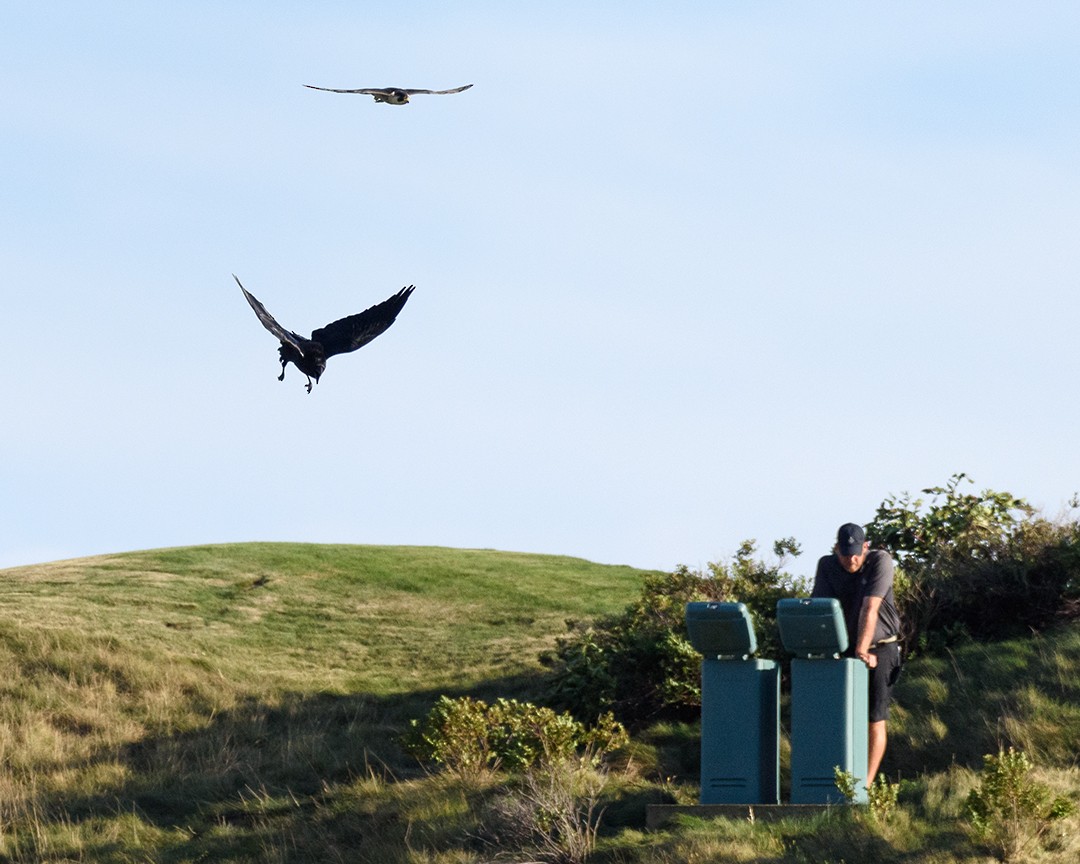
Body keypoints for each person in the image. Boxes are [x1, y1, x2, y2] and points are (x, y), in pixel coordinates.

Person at [811, 522, 902, 786]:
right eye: (845, 552)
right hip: (847, 650)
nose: (851, 559)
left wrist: (863, 649)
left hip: (881, 648)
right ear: (836, 548)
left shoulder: (880, 561)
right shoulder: (827, 565)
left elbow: (870, 607)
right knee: (842, 717)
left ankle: (865, 787)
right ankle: (840, 780)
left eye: (856, 553)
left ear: (865, 547)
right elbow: (822, 609)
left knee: (874, 718)